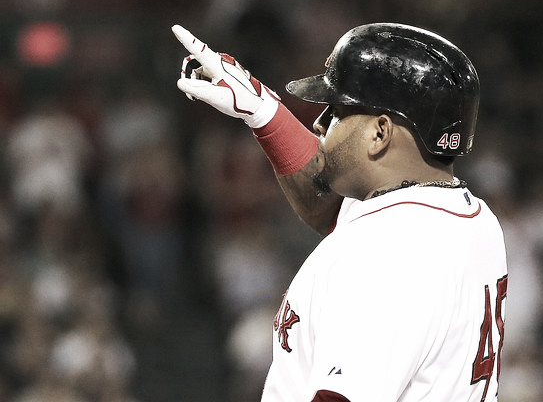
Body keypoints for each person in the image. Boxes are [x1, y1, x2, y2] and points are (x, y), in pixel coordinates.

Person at [172, 23, 508, 402]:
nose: (318, 121)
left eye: (336, 111)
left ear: (380, 133)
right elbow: (330, 206)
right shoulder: (471, 219)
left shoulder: (385, 252)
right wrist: (263, 112)